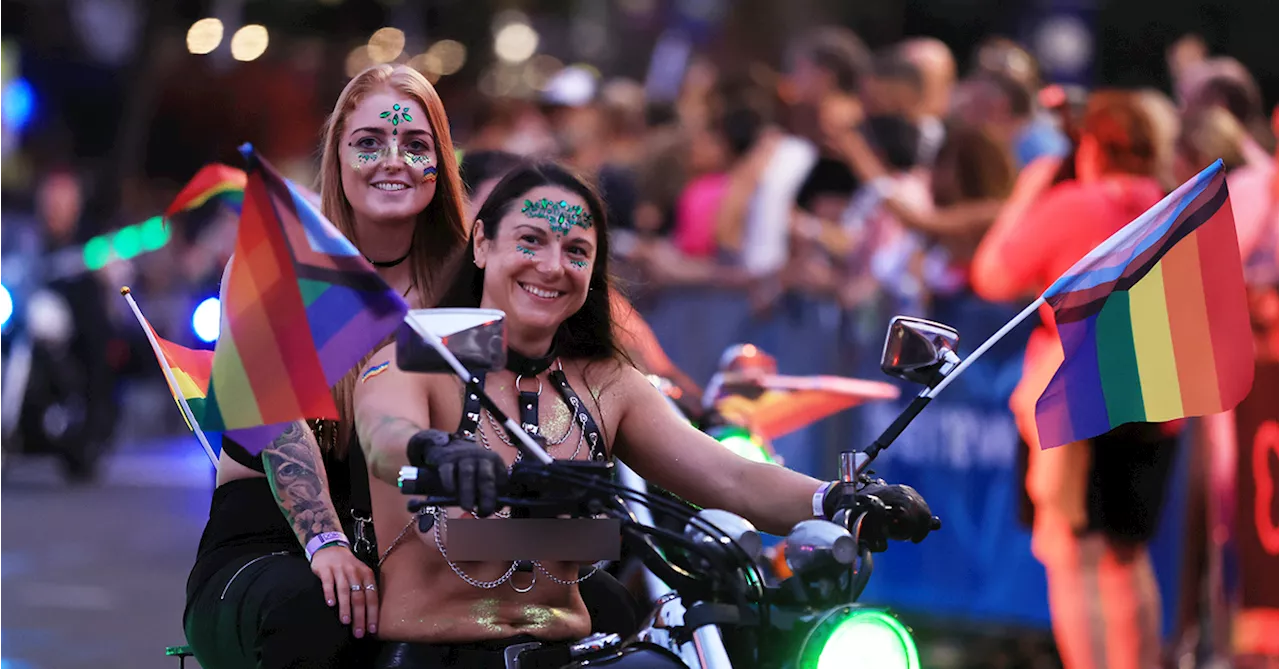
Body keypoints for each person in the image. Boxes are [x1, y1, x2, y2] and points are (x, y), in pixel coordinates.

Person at [353, 161, 864, 666]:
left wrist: (839, 499)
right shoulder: (417, 353)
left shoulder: (607, 382)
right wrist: (434, 450)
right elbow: (383, 434)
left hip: (570, 655)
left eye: (576, 250)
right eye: (530, 240)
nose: (552, 266)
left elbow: (731, 478)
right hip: (436, 657)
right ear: (482, 243)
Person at [182, 63, 470, 668]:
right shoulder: (277, 264)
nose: (393, 158)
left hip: (418, 542)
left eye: (416, 144)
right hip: (275, 543)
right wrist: (327, 542)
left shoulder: (471, 282)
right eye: (369, 142)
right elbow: (280, 424)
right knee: (321, 608)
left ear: (441, 163)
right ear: (337, 157)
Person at [971, 90, 1177, 669]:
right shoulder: (1170, 203)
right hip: (1159, 394)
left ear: (1091, 145)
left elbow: (993, 274)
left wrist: (1033, 186)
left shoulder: (1072, 204)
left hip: (1078, 395)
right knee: (1126, 557)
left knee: (1073, 557)